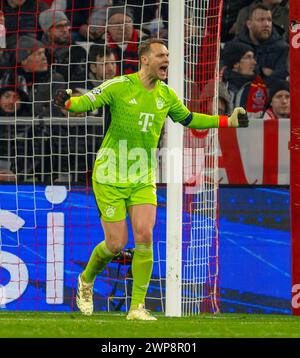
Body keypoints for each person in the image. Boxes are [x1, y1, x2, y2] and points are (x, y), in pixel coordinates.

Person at [53, 38, 249, 320]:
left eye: (168, 55)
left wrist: (227, 121)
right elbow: (87, 101)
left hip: (143, 176)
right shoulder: (120, 86)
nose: (166, 59)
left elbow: (189, 118)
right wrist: (68, 102)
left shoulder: (166, 95)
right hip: (109, 174)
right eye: (161, 54)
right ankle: (85, 280)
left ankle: (137, 307)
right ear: (145, 59)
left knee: (145, 235)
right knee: (116, 244)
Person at [230, 3, 289, 86]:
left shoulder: (282, 48)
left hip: (269, 94)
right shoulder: (235, 46)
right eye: (261, 20)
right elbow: (227, 73)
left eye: (269, 20)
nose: (266, 24)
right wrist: (261, 71)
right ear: (249, 24)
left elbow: (279, 78)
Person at [97, 5, 149, 75]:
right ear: (107, 26)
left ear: (132, 24)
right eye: (116, 23)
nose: (121, 28)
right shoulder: (99, 46)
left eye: (126, 23)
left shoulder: (147, 44)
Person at [39, 9, 87, 83]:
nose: (65, 30)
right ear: (47, 31)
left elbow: (79, 82)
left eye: (66, 25)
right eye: (59, 26)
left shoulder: (78, 51)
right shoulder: (38, 53)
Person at [221, 41, 268, 117]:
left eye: (253, 57)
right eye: (248, 57)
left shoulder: (259, 86)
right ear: (236, 64)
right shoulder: (218, 85)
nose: (254, 62)